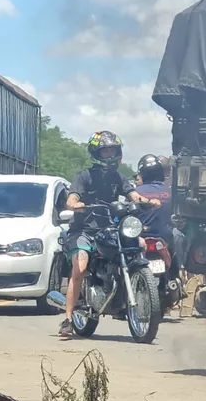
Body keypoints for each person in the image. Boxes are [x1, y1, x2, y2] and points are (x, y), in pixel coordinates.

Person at [58, 130, 159, 337]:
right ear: (96, 153)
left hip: (108, 229)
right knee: (81, 266)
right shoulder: (84, 176)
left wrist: (147, 202)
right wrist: (76, 204)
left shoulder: (118, 177)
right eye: (105, 151)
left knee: (139, 243)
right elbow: (71, 198)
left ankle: (132, 290)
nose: (109, 154)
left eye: (112, 150)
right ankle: (68, 319)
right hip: (83, 230)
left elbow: (133, 195)